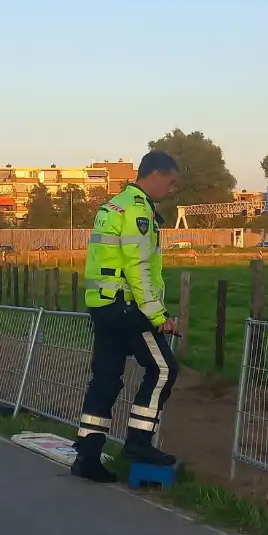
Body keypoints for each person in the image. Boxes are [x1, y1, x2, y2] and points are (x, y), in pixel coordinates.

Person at [71, 151, 181, 483]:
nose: (172, 190)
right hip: (127, 307)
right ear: (156, 174)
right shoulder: (138, 211)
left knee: (105, 378)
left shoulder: (113, 205)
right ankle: (138, 442)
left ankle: (88, 456)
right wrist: (158, 315)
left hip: (102, 304)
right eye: (172, 182)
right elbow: (139, 267)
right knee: (164, 368)